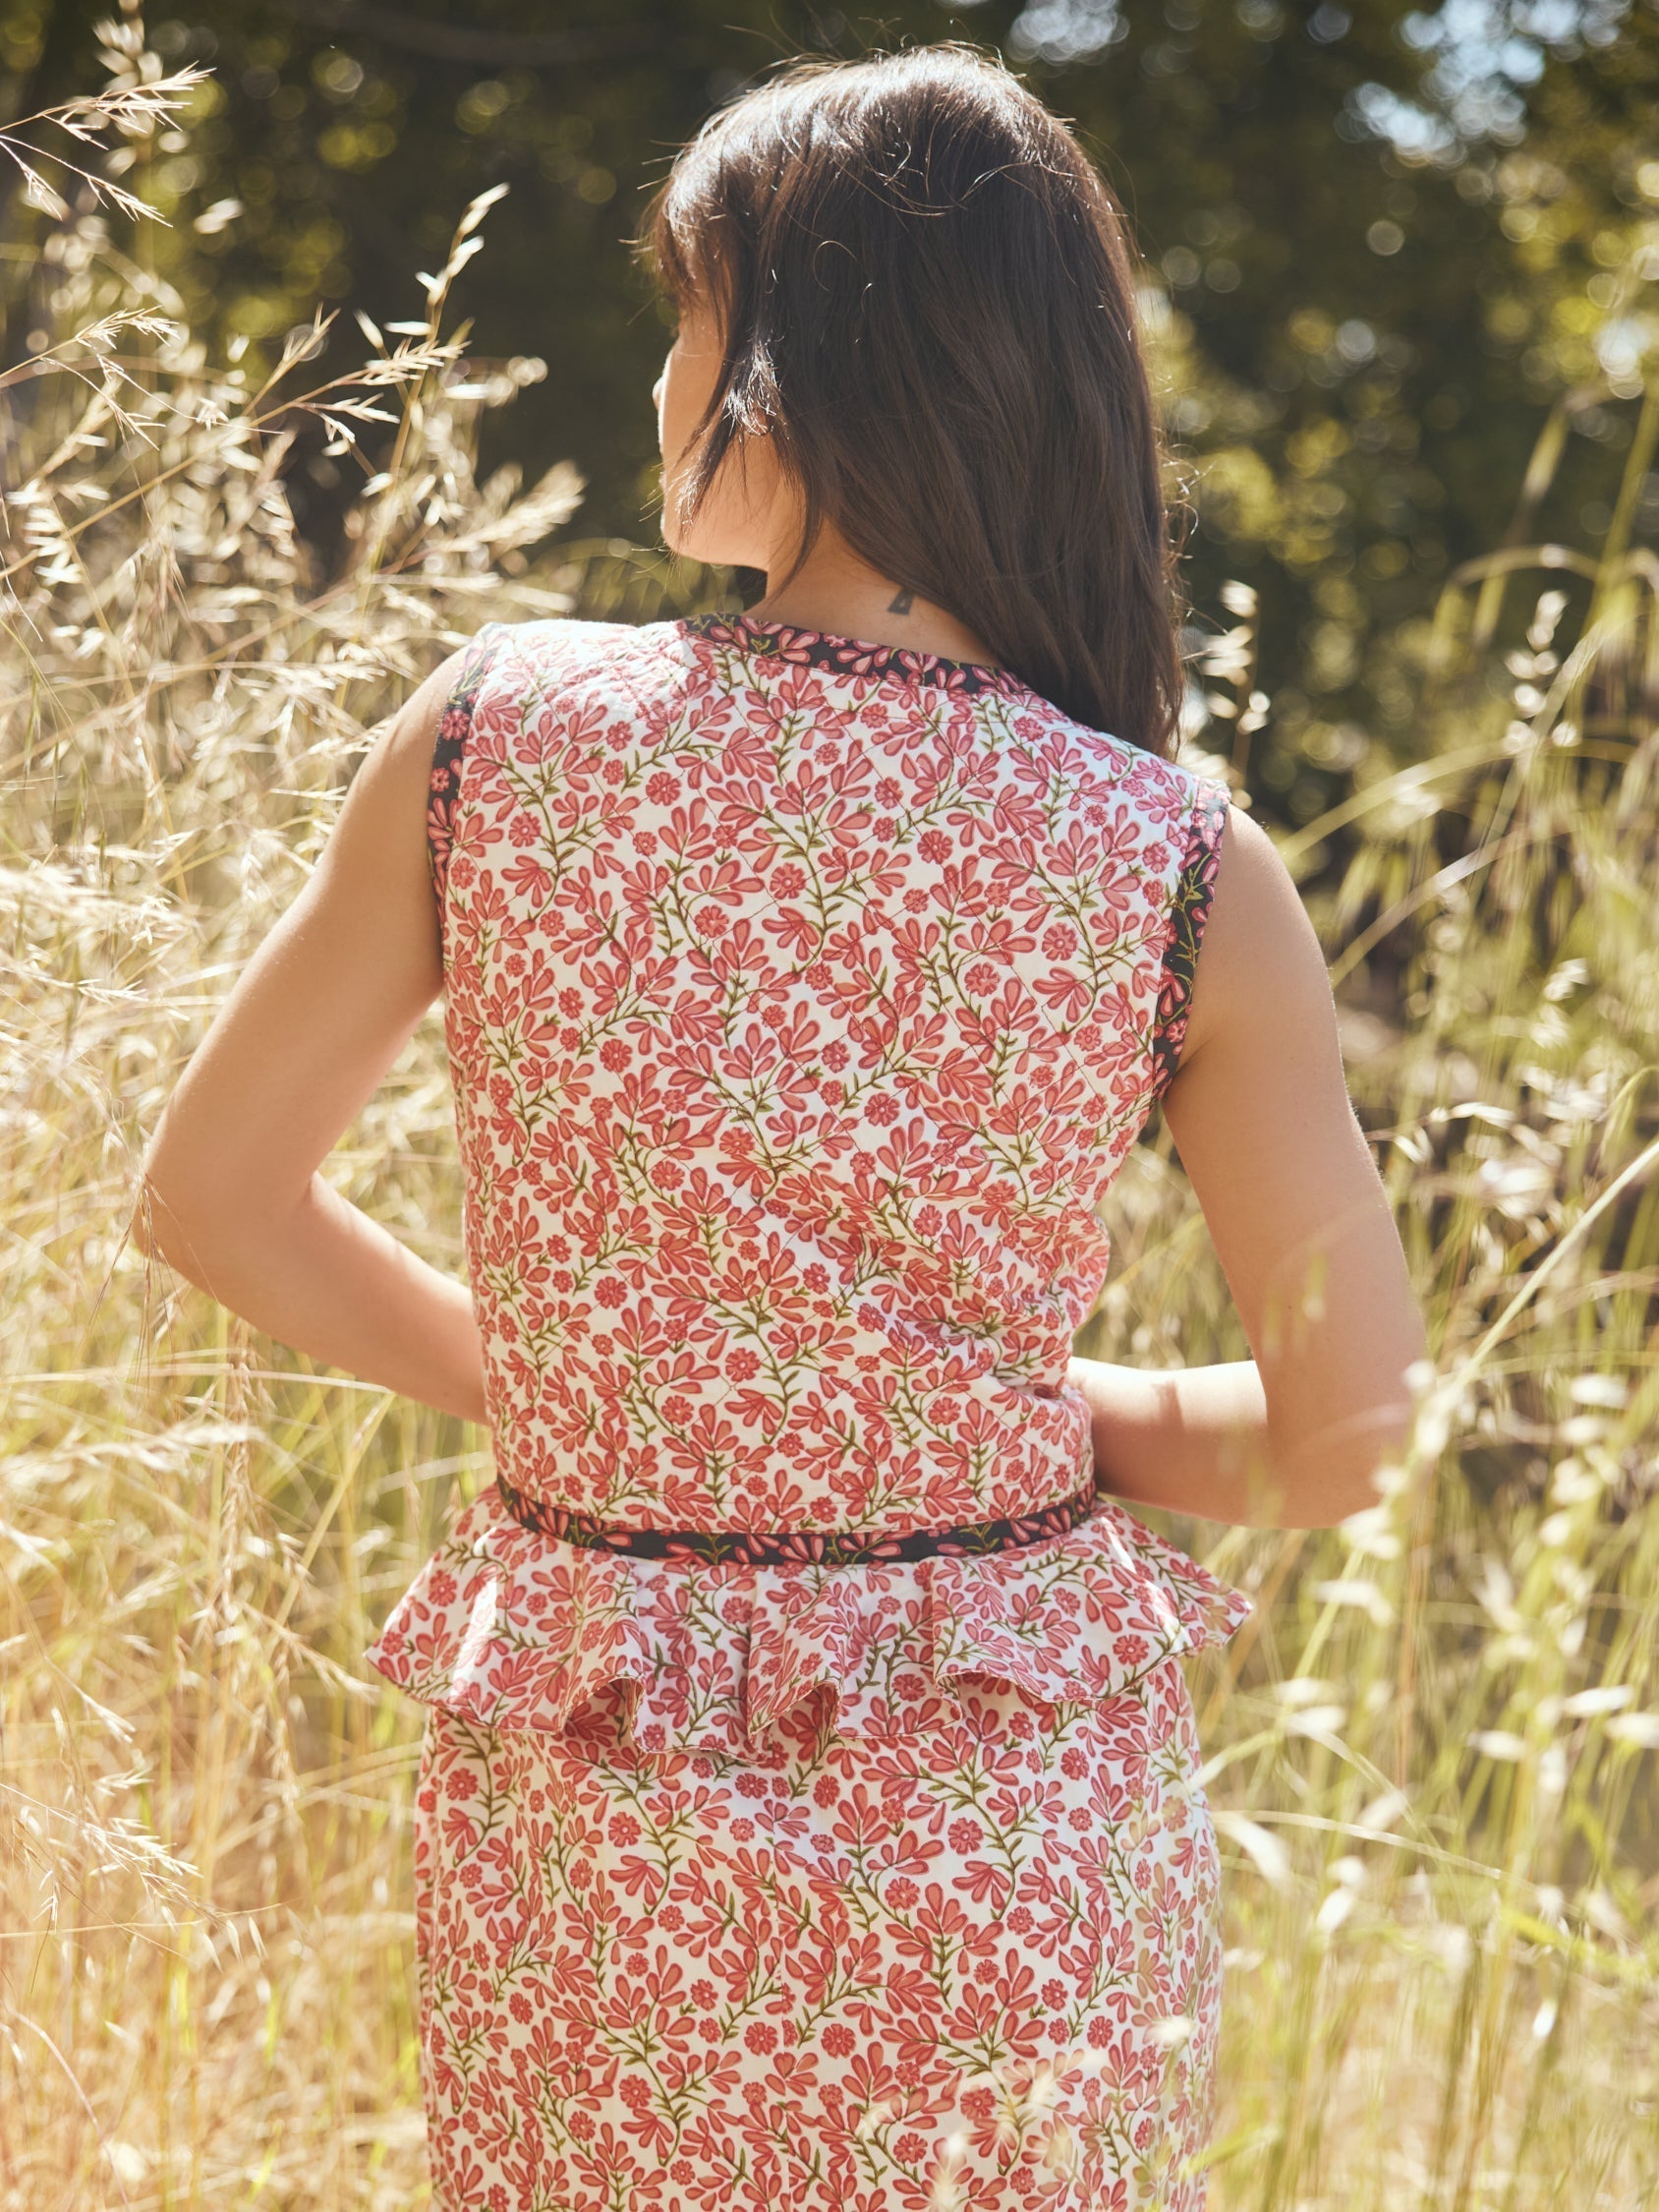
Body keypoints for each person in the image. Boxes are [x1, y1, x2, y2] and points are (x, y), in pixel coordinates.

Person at [134, 40, 1427, 2212]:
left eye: (687, 313)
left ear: (810, 364)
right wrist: (1010, 1420)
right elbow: (1349, 1434)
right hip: (1010, 1866)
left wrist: (624, 1406)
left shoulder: (499, 738)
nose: (663, 381)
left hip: (595, 1822)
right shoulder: (1173, 860)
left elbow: (212, 1202)